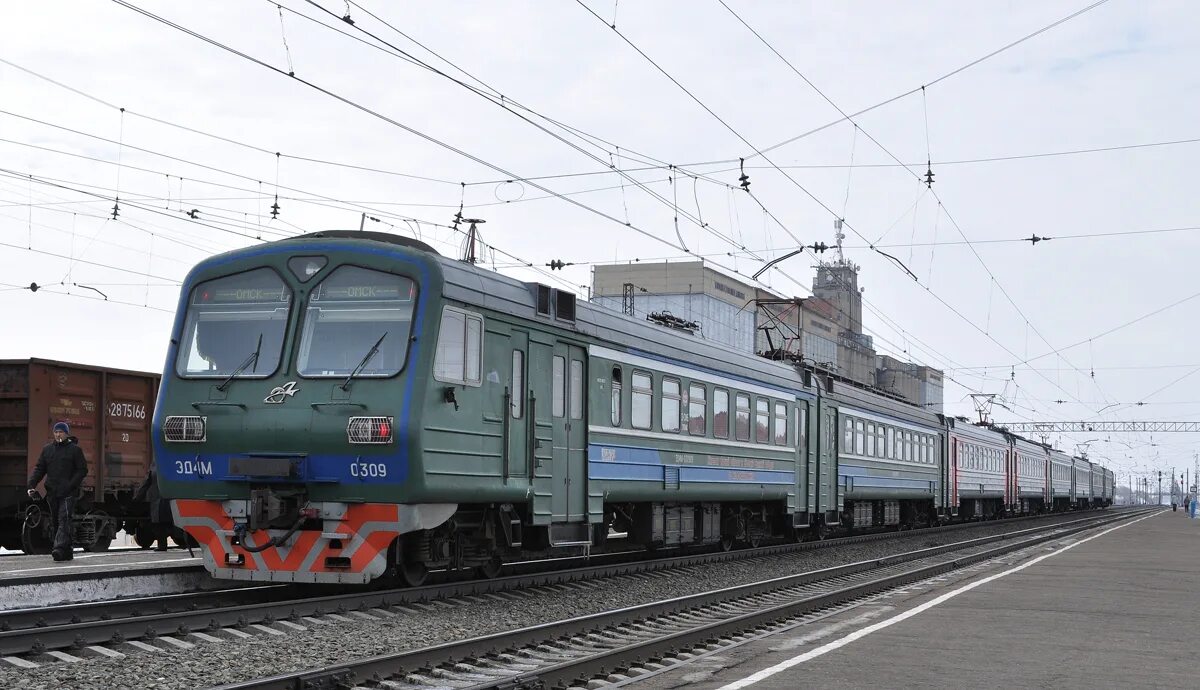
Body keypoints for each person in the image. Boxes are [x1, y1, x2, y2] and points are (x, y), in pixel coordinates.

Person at [26, 421, 88, 561]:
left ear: (66, 434)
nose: (58, 434)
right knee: (55, 522)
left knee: (64, 519)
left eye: (61, 432)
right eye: (56, 432)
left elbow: (82, 470)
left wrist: (71, 485)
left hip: (68, 493)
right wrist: (31, 485)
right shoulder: (47, 450)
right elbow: (40, 469)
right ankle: (67, 551)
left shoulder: (75, 450)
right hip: (52, 492)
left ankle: (58, 548)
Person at [134, 465, 173, 551]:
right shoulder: (171, 464)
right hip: (170, 499)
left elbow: (145, 484)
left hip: (157, 500)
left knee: (158, 524)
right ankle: (163, 545)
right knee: (168, 522)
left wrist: (137, 498)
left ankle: (162, 546)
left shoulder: (154, 468)